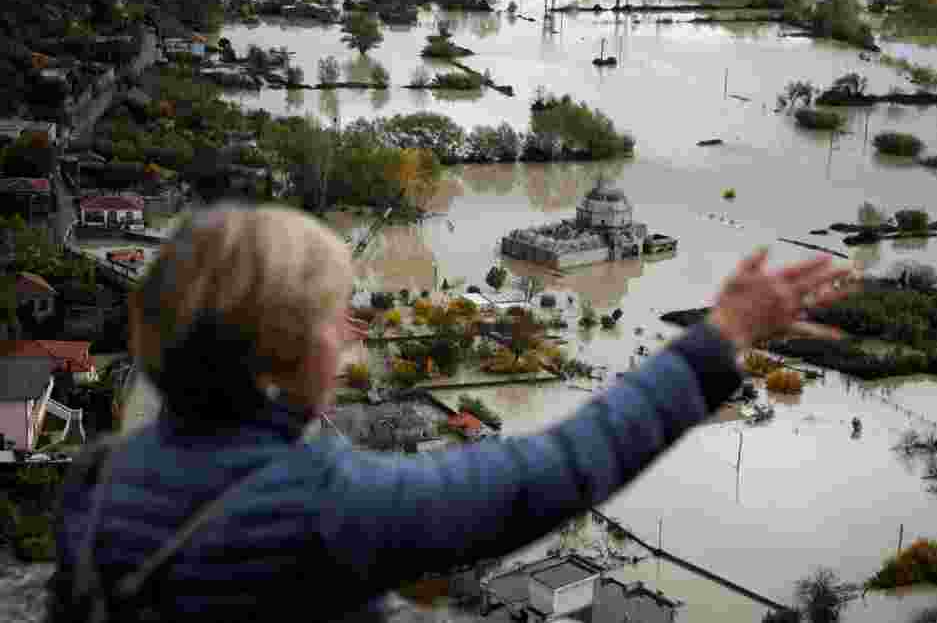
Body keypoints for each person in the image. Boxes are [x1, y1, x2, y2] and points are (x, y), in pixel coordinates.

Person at [50, 203, 854, 623]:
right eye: (335, 319)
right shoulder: (325, 505)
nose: (351, 333)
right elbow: (556, 469)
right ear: (288, 357)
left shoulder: (101, 474)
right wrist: (722, 338)